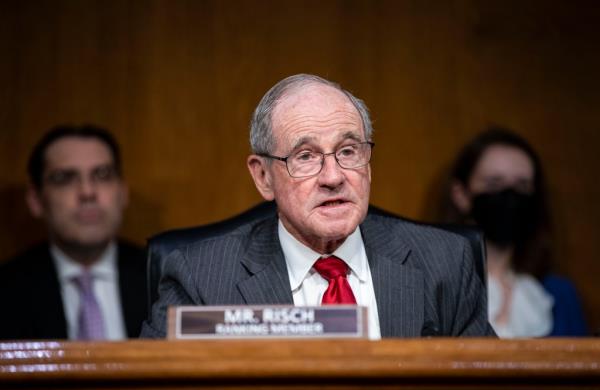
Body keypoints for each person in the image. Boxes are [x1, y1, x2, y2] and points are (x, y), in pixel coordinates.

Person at [141, 74, 495, 339]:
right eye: (305, 156)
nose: (333, 177)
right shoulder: (200, 279)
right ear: (263, 176)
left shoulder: (445, 262)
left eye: (347, 151)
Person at [0, 125, 147, 340]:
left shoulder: (164, 281)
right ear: (36, 199)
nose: (87, 192)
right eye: (64, 178)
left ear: (123, 192)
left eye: (102, 175)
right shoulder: (6, 290)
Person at [444, 128, 588, 337]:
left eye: (522, 185)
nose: (509, 197)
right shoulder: (438, 289)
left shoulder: (558, 295)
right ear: (461, 195)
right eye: (494, 183)